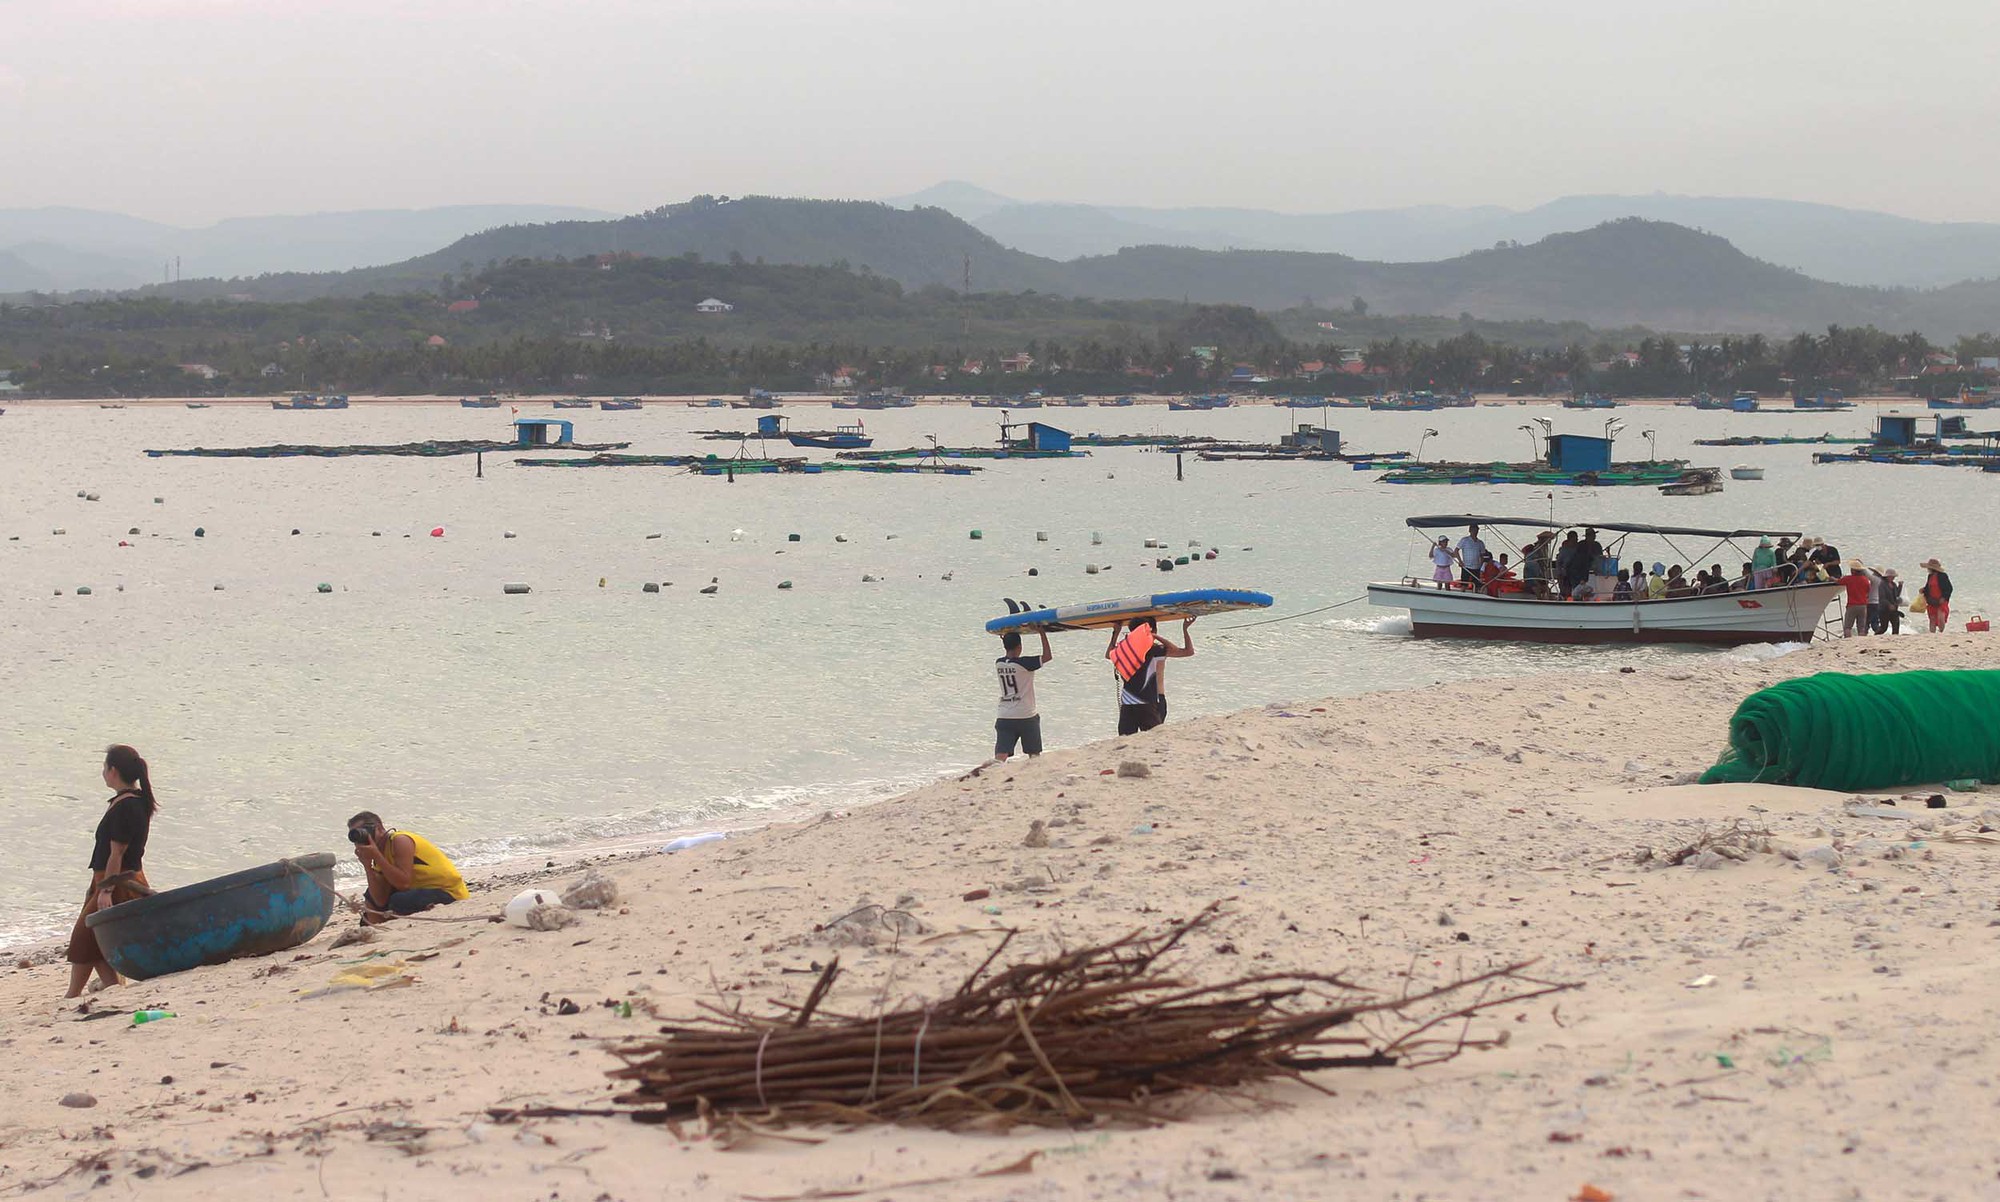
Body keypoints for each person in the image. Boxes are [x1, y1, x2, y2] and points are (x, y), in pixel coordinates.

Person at [67, 745, 157, 998]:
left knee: (84, 938)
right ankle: (110, 988)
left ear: (113, 770)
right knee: (94, 941)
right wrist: (97, 884)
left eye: (104, 767)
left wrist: (106, 889)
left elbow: (117, 853)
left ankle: (75, 994)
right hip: (107, 878)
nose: (103, 772)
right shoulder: (129, 801)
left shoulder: (127, 806)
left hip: (118, 882)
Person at [347, 812, 468, 924]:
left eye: (362, 832)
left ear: (378, 828)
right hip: (417, 889)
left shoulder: (400, 840)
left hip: (447, 891)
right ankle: (379, 930)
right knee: (370, 898)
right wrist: (368, 866)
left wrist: (377, 857)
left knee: (399, 901)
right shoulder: (379, 853)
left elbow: (403, 884)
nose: (360, 839)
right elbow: (380, 900)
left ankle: (392, 925)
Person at [1107, 616, 1193, 735]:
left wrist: (1115, 633)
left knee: (1129, 737)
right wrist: (1184, 630)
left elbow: (1109, 654)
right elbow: (1187, 651)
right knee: (1152, 737)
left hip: (1138, 701)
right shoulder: (1154, 650)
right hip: (1146, 702)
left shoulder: (1131, 650)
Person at [993, 630, 1052, 761]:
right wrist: (1042, 633)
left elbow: (1009, 653)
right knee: (1034, 755)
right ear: (1020, 647)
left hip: (1005, 716)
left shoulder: (999, 663)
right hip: (1026, 715)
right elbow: (1047, 656)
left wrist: (1004, 637)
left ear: (1005, 646)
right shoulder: (1025, 664)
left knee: (1000, 757)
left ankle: (991, 774)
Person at [1838, 559, 1872, 637]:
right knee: (1861, 627)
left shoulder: (1848, 579)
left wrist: (1832, 578)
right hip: (1863, 605)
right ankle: (1861, 640)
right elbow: (1868, 591)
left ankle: (1848, 640)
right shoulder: (1865, 580)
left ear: (1853, 570)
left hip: (1852, 604)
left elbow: (1838, 581)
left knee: (1847, 627)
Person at [1920, 558, 1952, 632]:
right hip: (1931, 600)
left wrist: (1944, 597)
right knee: (1932, 618)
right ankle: (1932, 634)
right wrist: (1923, 590)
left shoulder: (1943, 576)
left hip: (1941, 600)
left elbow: (1949, 588)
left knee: (1941, 617)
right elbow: (1928, 587)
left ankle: (1941, 631)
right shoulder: (1930, 576)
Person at [1877, 569, 1904, 635]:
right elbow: (1882, 598)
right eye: (1892, 576)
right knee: (1884, 628)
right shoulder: (1882, 585)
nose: (1893, 578)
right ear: (1887, 576)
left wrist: (1900, 586)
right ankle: (1875, 636)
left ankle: (1894, 640)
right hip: (1884, 610)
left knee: (1896, 626)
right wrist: (1889, 605)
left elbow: (1896, 595)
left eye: (1894, 576)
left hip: (1894, 609)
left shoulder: (1893, 584)